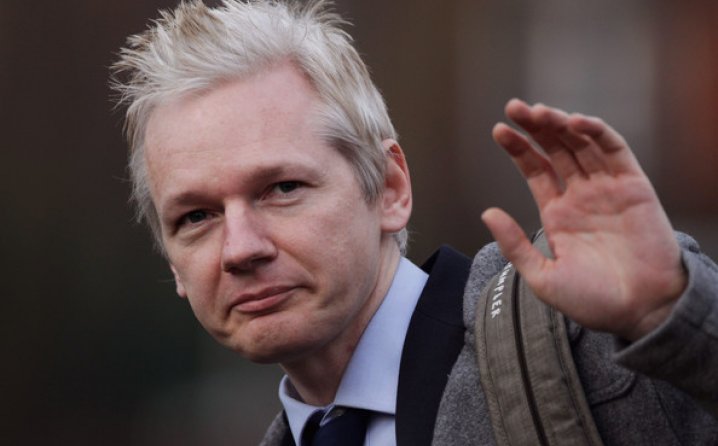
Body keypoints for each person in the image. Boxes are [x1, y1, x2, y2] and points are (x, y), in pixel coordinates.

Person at [111, 0, 718, 444]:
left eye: (282, 189)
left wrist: (673, 314)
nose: (240, 248)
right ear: (173, 264)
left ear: (390, 188)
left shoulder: (581, 343)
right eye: (196, 216)